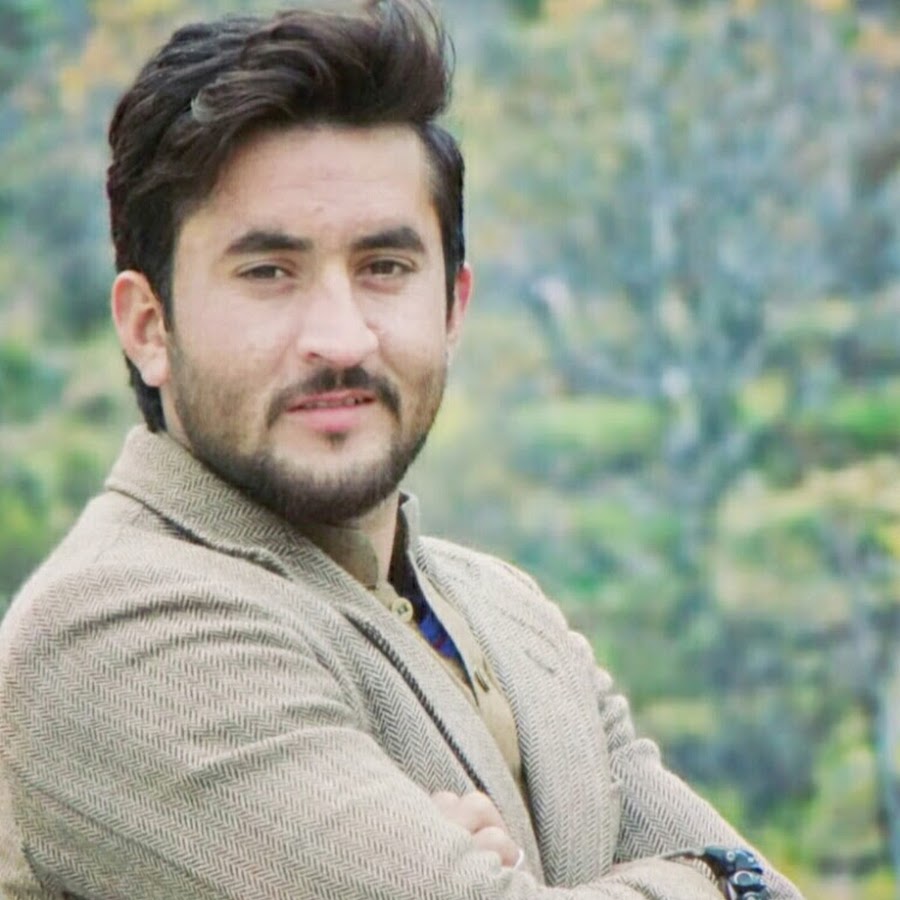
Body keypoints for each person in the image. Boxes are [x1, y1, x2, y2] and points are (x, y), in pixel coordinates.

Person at [0, 2, 805, 898]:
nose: (340, 338)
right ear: (149, 327)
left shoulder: (507, 614)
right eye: (268, 273)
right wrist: (718, 885)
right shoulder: (115, 631)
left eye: (384, 267)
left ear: (453, 306)